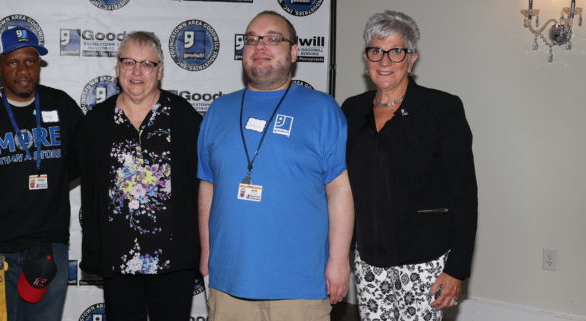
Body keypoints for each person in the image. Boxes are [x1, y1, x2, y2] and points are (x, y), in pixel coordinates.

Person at [197, 10, 354, 321]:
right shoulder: (218, 110)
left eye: (273, 39)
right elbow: (207, 185)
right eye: (252, 39)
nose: (261, 46)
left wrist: (338, 260)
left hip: (300, 287)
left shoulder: (322, 109)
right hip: (229, 284)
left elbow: (339, 190)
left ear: (294, 52)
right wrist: (206, 253)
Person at [341, 10, 478, 321]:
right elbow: (344, 186)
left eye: (396, 51)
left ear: (412, 58)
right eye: (376, 51)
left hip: (425, 260)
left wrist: (456, 269)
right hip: (369, 260)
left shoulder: (442, 109)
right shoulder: (351, 110)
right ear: (366, 58)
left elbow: (465, 195)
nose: (385, 61)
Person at [0, 26, 82, 321]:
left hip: (49, 250)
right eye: (13, 62)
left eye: (30, 61)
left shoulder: (62, 107)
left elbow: (78, 164)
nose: (23, 70)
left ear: (39, 64)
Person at [78, 31, 202, 321]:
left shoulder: (183, 117)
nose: (137, 71)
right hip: (118, 261)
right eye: (129, 62)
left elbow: (209, 178)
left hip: (173, 262)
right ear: (117, 68)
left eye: (147, 64)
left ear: (159, 71)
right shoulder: (96, 122)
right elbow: (67, 170)